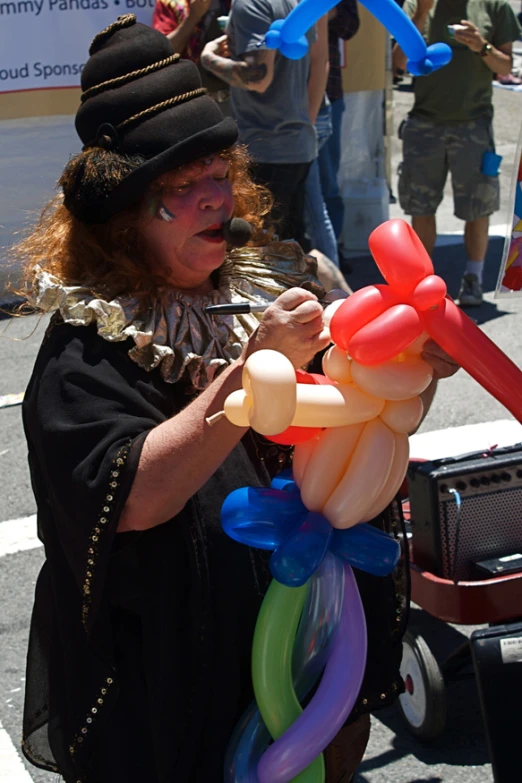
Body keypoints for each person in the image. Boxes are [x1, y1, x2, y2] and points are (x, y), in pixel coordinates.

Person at [15, 15, 457, 783]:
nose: (216, 198)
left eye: (220, 173)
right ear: (123, 221)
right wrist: (248, 375)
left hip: (321, 651)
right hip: (175, 700)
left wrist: (411, 368)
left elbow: (366, 420)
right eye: (183, 189)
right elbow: (135, 496)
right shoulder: (87, 351)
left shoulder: (274, 285)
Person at [393, 0, 521, 307]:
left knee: (478, 205)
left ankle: (473, 279)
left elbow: (506, 67)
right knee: (421, 205)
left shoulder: (494, 7)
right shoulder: (415, 5)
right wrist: (422, 14)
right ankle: (423, 284)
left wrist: (482, 46)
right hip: (425, 125)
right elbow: (398, 63)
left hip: (474, 126)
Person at [200, 0, 329, 250]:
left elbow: (257, 77)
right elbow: (320, 62)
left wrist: (208, 59)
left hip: (263, 151)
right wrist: (305, 124)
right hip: (296, 145)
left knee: (261, 254)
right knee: (291, 252)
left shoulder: (252, 4)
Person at [319, 0, 360, 266]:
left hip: (329, 96)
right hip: (284, 99)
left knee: (328, 180)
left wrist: (324, 9)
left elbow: (349, 26)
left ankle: (332, 253)